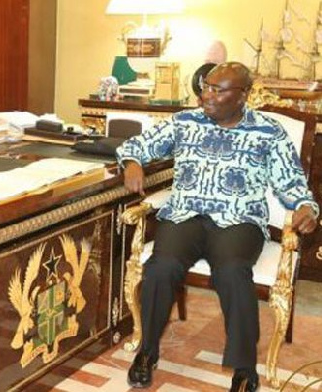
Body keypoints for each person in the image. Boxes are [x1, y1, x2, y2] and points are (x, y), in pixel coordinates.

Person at [117, 62, 319, 392]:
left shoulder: (268, 132)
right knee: (161, 266)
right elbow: (135, 146)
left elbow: (291, 182)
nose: (206, 95)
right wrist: (132, 163)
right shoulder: (184, 122)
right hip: (185, 213)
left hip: (239, 219)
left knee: (232, 271)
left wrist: (306, 206)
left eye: (217, 90)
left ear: (243, 96)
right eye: (205, 86)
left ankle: (244, 368)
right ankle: (146, 353)